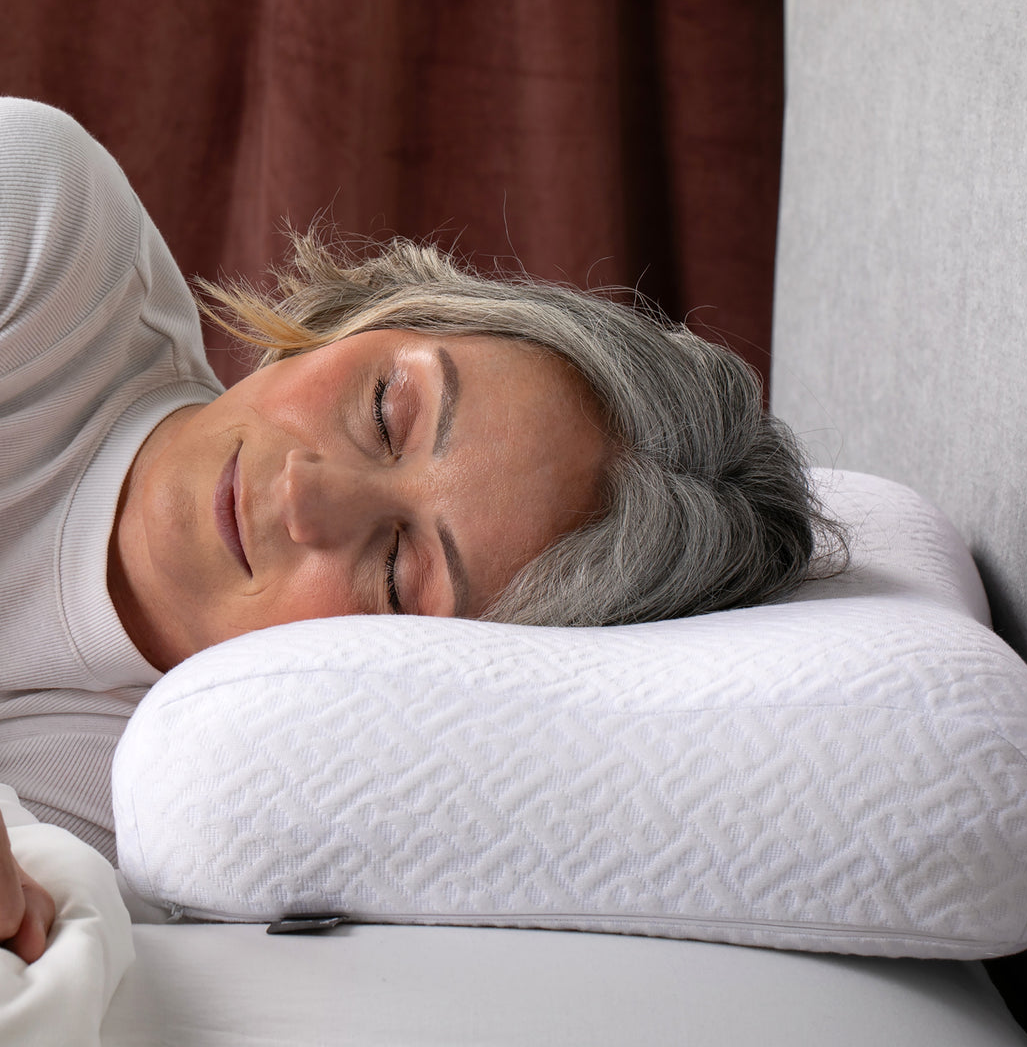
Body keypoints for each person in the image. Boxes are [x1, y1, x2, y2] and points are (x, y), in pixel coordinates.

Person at [0, 98, 842, 963]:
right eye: (385, 408)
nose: (304, 497)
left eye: (399, 573)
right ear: (369, 320)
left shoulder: (137, 826)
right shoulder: (46, 222)